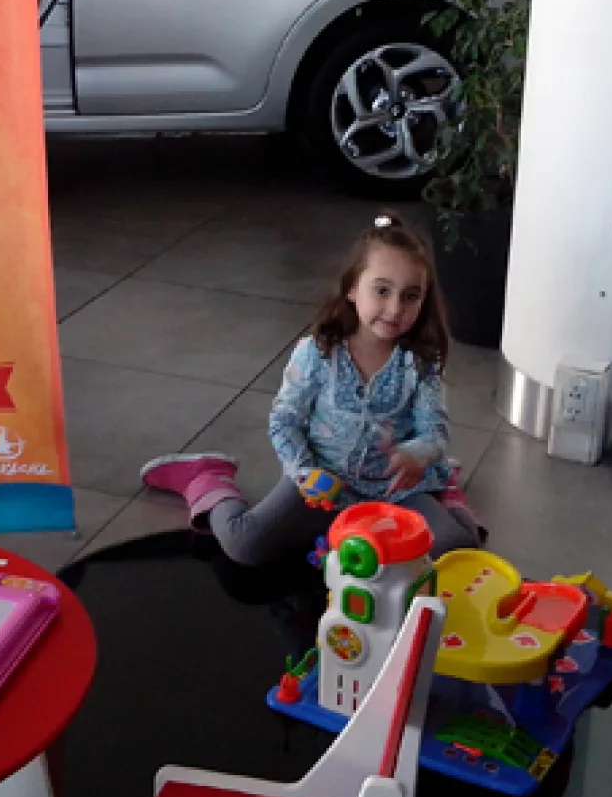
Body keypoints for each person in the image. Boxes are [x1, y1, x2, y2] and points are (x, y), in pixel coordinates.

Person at [140, 212, 487, 566]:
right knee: (246, 544)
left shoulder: (421, 363)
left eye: (411, 296)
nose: (395, 308)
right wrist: (305, 473)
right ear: (352, 288)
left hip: (395, 492)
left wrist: (419, 454)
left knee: (457, 551)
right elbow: (284, 420)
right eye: (382, 290)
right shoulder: (318, 353)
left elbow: (434, 430)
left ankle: (446, 488)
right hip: (323, 484)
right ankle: (207, 478)